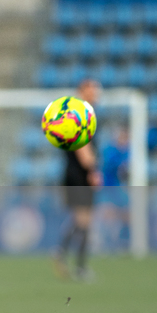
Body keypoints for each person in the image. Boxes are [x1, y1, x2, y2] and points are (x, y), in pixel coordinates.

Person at [54, 78, 102, 281]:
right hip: (79, 174)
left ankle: (61, 253)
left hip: (72, 173)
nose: (96, 93)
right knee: (85, 221)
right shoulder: (81, 115)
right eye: (92, 90)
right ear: (82, 92)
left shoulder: (74, 113)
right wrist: (92, 170)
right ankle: (78, 266)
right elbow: (83, 146)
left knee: (80, 220)